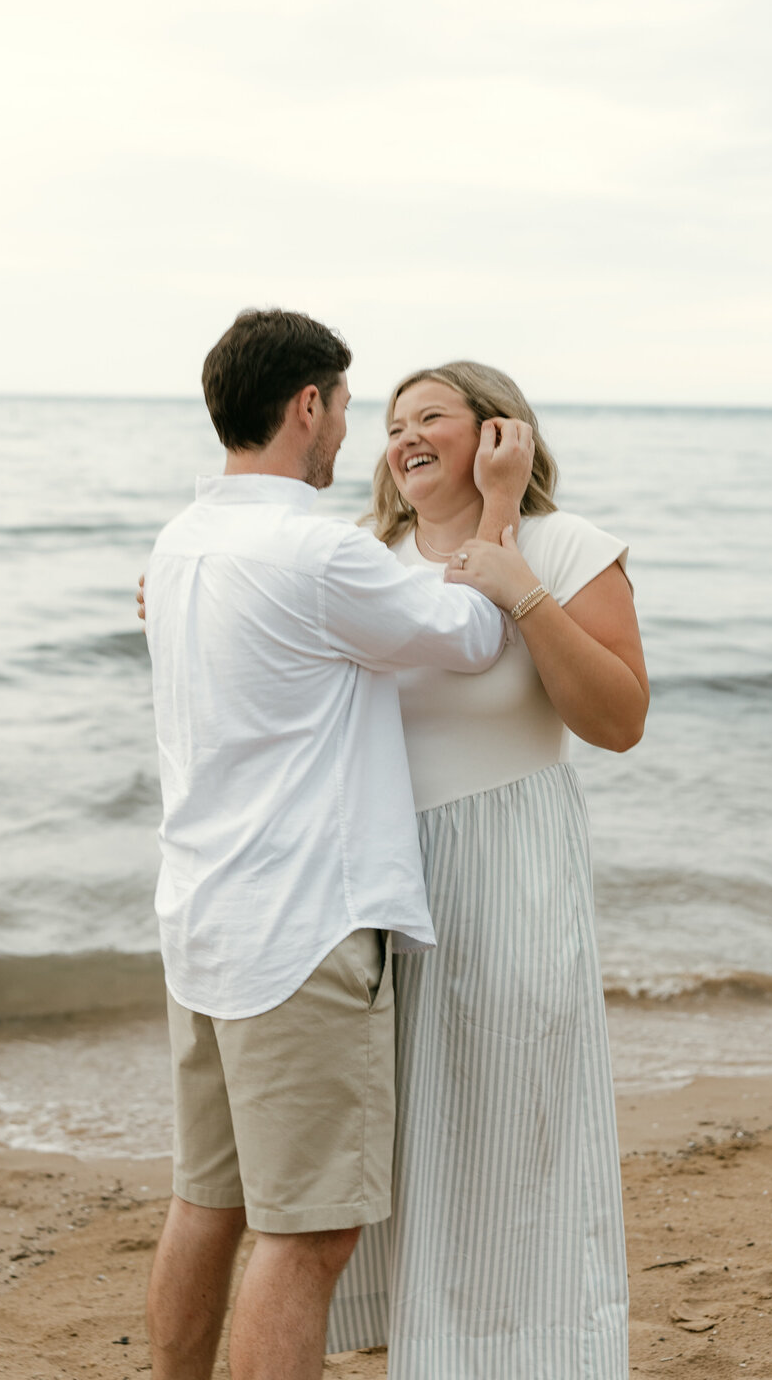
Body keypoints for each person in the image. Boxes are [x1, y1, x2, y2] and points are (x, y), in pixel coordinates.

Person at [139, 312, 520, 1380]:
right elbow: (475, 635)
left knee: (206, 1199)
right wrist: (495, 503)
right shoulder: (315, 549)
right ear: (307, 404)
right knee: (307, 1236)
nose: (353, 431)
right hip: (300, 932)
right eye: (350, 406)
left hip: (202, 920)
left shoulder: (179, 545)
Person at [325, 361, 648, 1380]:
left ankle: (547, 1353)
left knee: (518, 1121)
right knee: (407, 1134)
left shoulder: (565, 544)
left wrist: (527, 596)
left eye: (432, 416)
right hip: (383, 877)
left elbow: (619, 720)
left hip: (507, 864)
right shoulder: (365, 556)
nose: (404, 436)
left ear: (499, 434)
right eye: (390, 423)